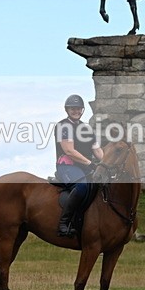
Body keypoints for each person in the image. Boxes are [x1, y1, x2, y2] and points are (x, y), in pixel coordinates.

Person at [55, 94, 103, 237]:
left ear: (82, 110)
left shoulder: (87, 128)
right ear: (67, 110)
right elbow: (69, 150)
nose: (75, 111)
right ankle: (64, 223)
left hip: (86, 167)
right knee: (82, 186)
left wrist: (106, 164)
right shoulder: (64, 126)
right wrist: (90, 163)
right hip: (67, 166)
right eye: (72, 108)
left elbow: (98, 150)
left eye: (78, 108)